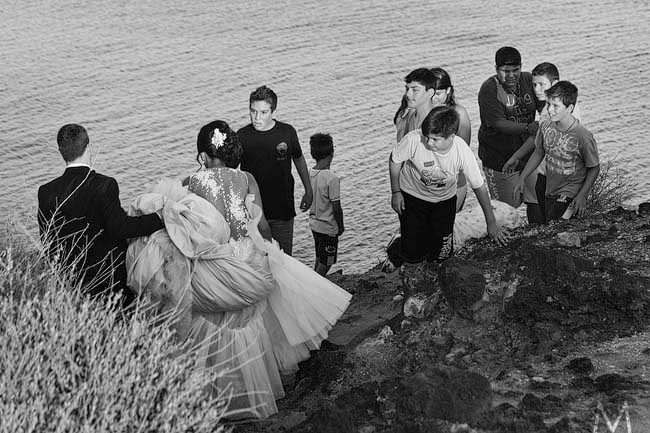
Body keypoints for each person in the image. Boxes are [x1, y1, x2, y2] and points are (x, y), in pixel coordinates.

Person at [126, 120, 351, 419]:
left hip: (214, 264)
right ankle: (257, 391)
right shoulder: (246, 178)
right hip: (244, 258)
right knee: (251, 319)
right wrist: (271, 250)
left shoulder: (192, 183)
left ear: (204, 156)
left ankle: (214, 397)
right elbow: (261, 224)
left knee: (209, 323)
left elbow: (188, 227)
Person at [37, 124, 164, 308]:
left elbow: (48, 241)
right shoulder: (104, 185)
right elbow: (121, 227)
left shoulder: (45, 192)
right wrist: (158, 219)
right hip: (109, 284)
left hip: (69, 284)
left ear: (60, 151)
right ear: (88, 147)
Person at [389, 106, 508, 286]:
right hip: (412, 196)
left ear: (451, 137)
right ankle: (402, 257)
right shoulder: (413, 140)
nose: (429, 142)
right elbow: (395, 160)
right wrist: (396, 192)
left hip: (444, 200)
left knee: (442, 251)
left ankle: (437, 280)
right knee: (414, 251)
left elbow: (479, 187)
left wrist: (491, 223)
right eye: (427, 136)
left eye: (435, 139)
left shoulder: (461, 151)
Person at [238, 85, 313, 256]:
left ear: (273, 111)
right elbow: (232, 172)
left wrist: (309, 190)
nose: (257, 117)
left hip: (282, 210)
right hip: (252, 213)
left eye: (263, 112)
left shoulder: (287, 132)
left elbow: (299, 159)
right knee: (256, 264)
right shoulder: (241, 136)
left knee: (284, 261)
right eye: (253, 111)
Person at [503, 62, 582, 222]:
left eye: (542, 85)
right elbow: (538, 141)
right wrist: (517, 158)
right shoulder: (547, 110)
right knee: (547, 224)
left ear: (554, 84)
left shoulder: (564, 111)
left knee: (557, 223)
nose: (537, 89)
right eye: (534, 85)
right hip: (544, 177)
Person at [515, 81, 599, 221]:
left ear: (570, 108)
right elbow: (538, 152)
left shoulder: (583, 136)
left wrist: (582, 195)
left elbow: (594, 167)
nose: (550, 110)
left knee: (556, 223)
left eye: (556, 106)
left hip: (571, 191)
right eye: (548, 104)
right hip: (550, 189)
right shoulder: (546, 126)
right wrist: (522, 178)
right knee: (551, 226)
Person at [394, 67, 471, 212]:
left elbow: (461, 153)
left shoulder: (457, 114)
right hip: (419, 185)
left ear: (448, 91)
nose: (434, 98)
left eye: (438, 93)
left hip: (447, 185)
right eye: (432, 93)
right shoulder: (410, 115)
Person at [478, 46, 540, 222]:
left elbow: (545, 105)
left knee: (536, 200)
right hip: (500, 159)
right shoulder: (489, 89)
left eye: (516, 70)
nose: (511, 75)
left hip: (529, 154)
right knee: (505, 209)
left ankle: (537, 236)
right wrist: (528, 128)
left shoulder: (529, 80)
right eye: (506, 71)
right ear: (496, 69)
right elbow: (498, 123)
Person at [308, 133, 344, 276]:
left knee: (319, 258)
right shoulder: (332, 179)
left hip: (315, 225)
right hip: (328, 228)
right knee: (327, 262)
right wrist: (340, 226)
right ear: (332, 153)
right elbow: (336, 208)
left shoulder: (310, 173)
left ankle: (312, 282)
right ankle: (315, 288)